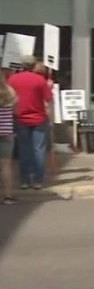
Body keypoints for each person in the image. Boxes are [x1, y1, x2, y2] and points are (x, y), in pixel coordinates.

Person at [8, 56, 52, 190]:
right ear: (34, 66)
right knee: (39, 149)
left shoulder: (13, 79)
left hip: (20, 118)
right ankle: (38, 180)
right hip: (39, 118)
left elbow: (9, 98)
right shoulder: (40, 80)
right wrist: (50, 118)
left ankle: (24, 180)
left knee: (24, 149)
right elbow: (48, 101)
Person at [0, 71, 17, 204]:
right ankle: (8, 196)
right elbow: (16, 111)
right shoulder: (10, 92)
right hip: (7, 132)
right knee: (7, 165)